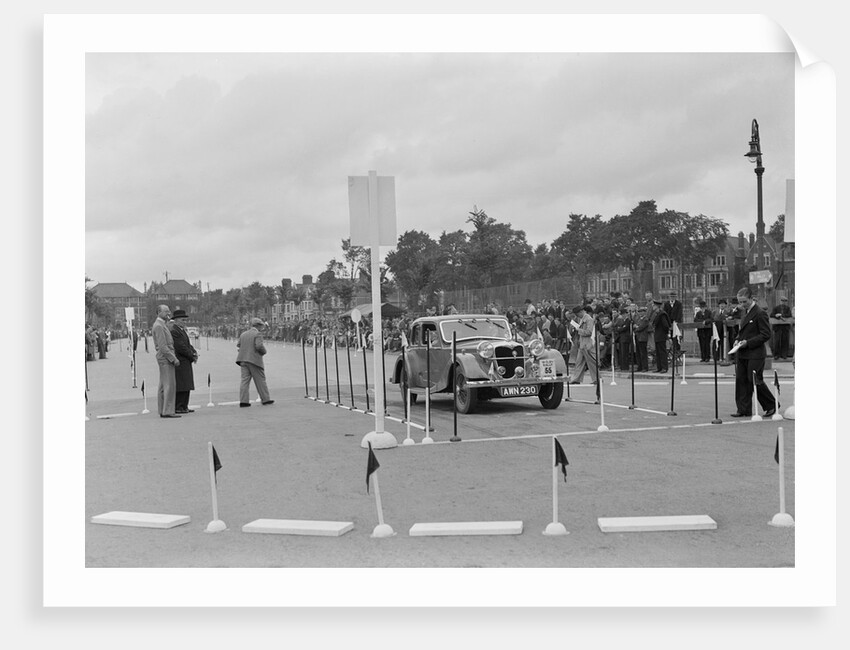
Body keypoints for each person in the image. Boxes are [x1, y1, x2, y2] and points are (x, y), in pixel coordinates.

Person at [730, 286, 776, 417]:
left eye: (744, 301)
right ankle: (743, 409)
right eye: (740, 302)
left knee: (754, 379)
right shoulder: (746, 312)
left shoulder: (760, 313)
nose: (742, 304)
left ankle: (771, 405)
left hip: (755, 353)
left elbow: (765, 334)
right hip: (743, 352)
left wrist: (748, 343)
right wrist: (737, 339)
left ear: (751, 298)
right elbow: (743, 331)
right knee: (741, 380)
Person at [236, 317, 274, 407]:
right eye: (261, 326)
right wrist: (264, 352)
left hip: (243, 360)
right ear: (258, 326)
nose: (262, 328)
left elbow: (238, 345)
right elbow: (259, 346)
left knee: (244, 381)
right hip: (254, 360)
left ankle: (243, 401)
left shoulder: (243, 334)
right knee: (260, 380)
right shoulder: (258, 334)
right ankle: (265, 399)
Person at [151, 304, 181, 418]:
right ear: (159, 312)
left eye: (169, 311)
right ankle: (168, 410)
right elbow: (163, 346)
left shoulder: (161, 324)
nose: (168, 313)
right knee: (169, 385)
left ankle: (163, 409)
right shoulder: (159, 326)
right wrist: (173, 359)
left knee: (163, 385)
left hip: (163, 357)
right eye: (165, 311)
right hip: (166, 358)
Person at [169, 309, 198, 414]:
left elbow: (187, 344)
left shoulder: (181, 330)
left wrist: (193, 352)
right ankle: (179, 406)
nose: (185, 322)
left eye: (185, 320)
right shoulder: (174, 331)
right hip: (181, 361)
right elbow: (180, 347)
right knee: (182, 384)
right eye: (182, 320)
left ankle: (185, 405)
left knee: (187, 384)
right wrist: (191, 356)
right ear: (176, 320)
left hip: (186, 360)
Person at [568, 305, 598, 385]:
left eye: (577, 314)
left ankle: (597, 378)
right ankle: (576, 379)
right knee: (579, 362)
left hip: (588, 345)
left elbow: (589, 332)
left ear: (581, 312)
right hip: (582, 344)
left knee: (591, 363)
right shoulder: (582, 319)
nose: (577, 316)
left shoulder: (589, 319)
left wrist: (579, 330)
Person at [651, 299, 670, 373]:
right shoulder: (657, 314)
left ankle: (664, 367)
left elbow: (666, 325)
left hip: (661, 336)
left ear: (657, 306)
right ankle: (659, 367)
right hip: (657, 336)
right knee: (658, 353)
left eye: (654, 305)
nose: (653, 307)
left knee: (662, 352)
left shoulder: (662, 315)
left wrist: (665, 334)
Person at [634, 306, 650, 372]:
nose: (640, 313)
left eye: (642, 312)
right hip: (638, 337)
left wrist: (637, 327)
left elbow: (641, 327)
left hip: (643, 338)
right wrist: (637, 327)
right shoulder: (638, 319)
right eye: (639, 312)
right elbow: (635, 326)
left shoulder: (645, 319)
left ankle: (645, 367)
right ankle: (639, 366)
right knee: (638, 353)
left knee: (643, 353)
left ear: (644, 312)